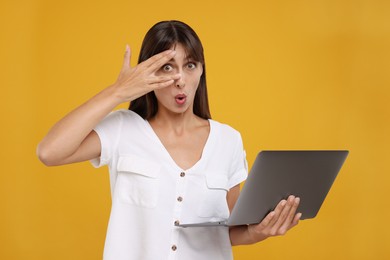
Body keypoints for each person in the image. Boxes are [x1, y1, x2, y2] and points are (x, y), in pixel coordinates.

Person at [37, 20, 301, 260]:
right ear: (147, 74)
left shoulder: (228, 140)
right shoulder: (123, 129)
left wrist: (259, 231)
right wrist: (118, 91)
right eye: (166, 67)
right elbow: (49, 152)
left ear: (201, 71)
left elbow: (228, 230)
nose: (180, 80)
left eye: (190, 65)